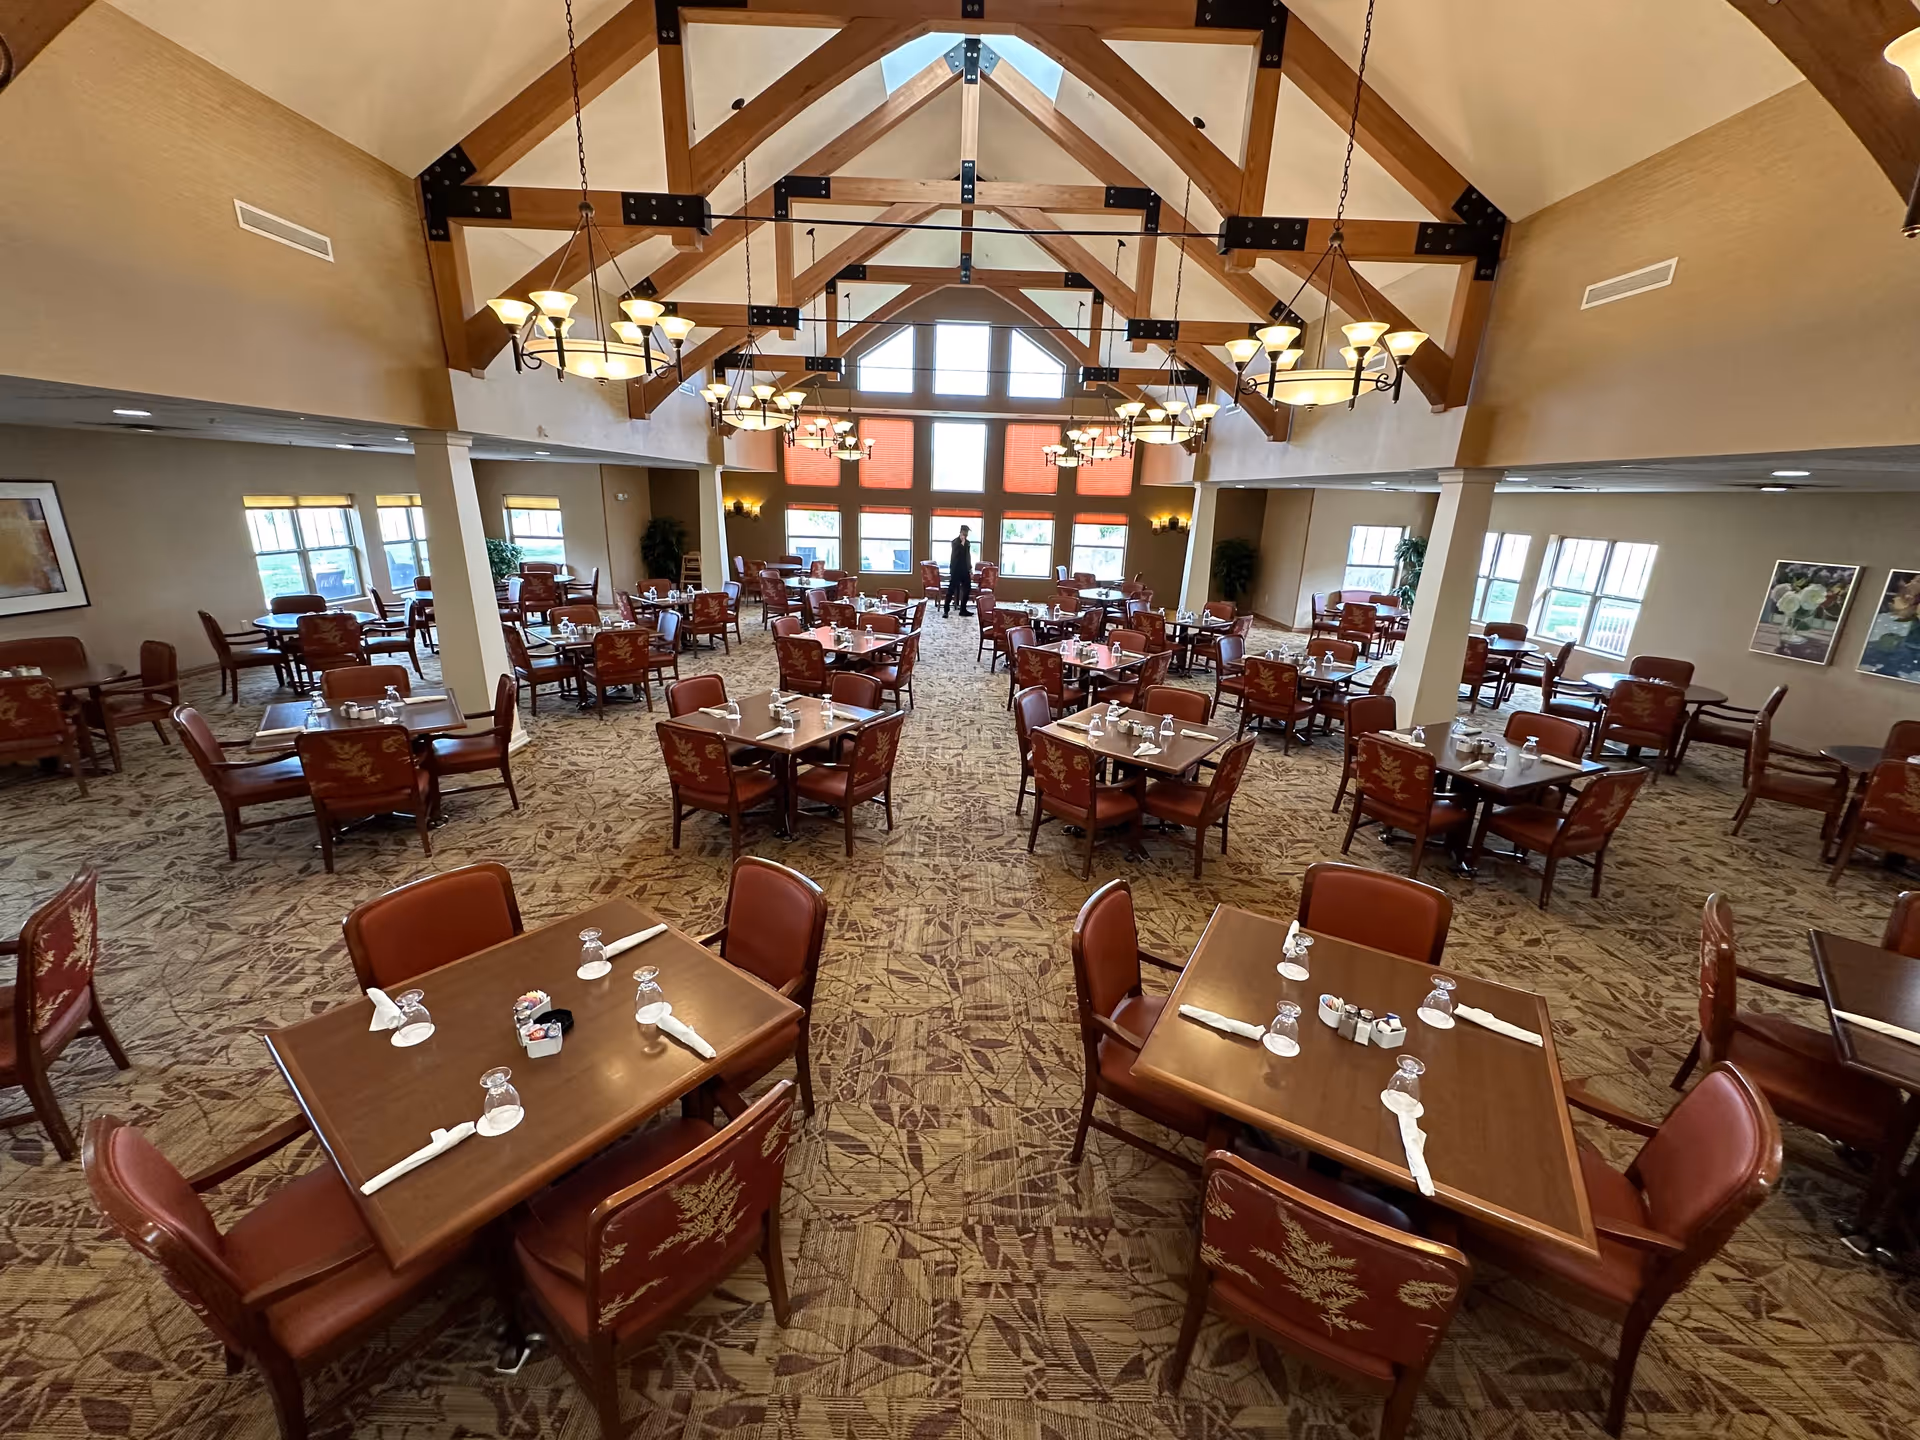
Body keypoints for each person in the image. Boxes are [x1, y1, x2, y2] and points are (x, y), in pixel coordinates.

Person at [945, 525, 973, 618]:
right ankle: (946, 610)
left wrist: (970, 569)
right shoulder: (955, 542)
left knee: (967, 589)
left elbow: (968, 557)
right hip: (956, 570)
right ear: (962, 532)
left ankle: (963, 610)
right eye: (966, 532)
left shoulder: (968, 543)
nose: (967, 534)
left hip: (965, 570)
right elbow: (956, 555)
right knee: (951, 590)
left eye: (967, 532)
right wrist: (962, 544)